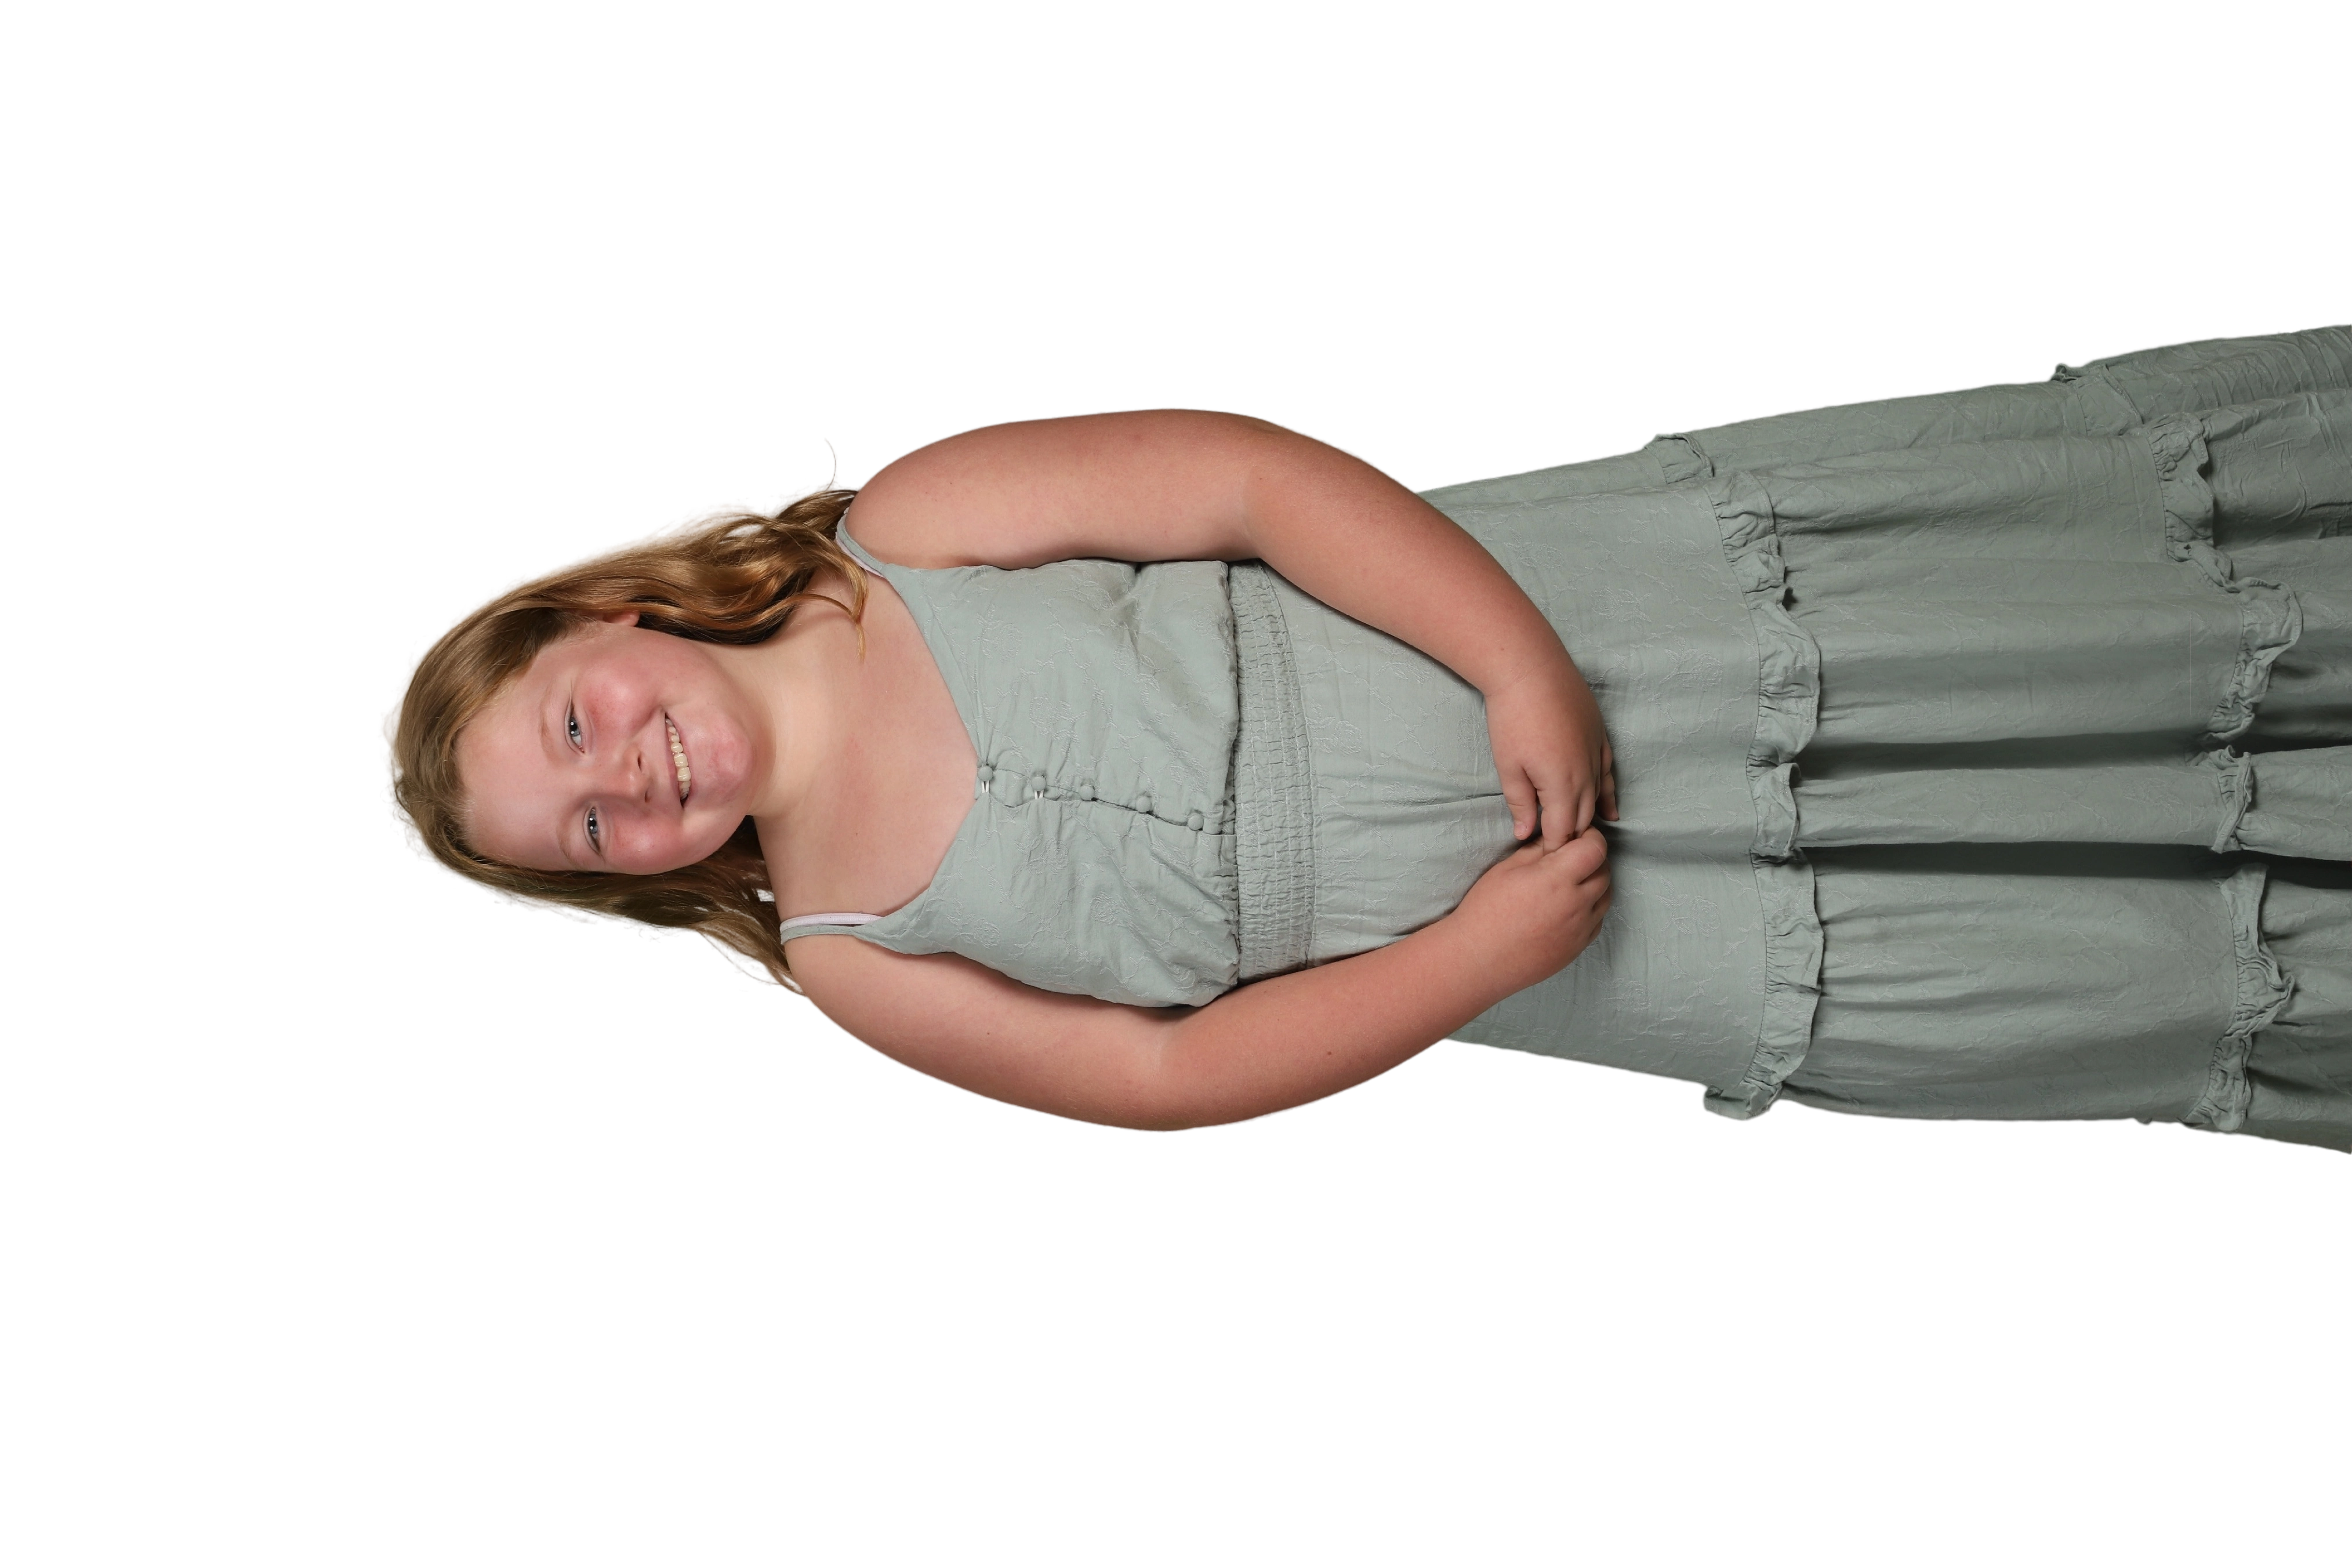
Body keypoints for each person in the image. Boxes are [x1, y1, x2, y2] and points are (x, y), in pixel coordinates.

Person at [379, 325, 2352, 1156]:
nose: (626, 777)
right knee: (2074, 950)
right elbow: (1169, 1073)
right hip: (1573, 931)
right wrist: (1475, 958)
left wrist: (1517, 669)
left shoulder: (906, 539)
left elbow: (1247, 482)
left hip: (1586, 634)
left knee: (2027, 642)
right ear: (628, 889)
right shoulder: (855, 961)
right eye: (588, 829)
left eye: (577, 724)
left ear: (609, 615)